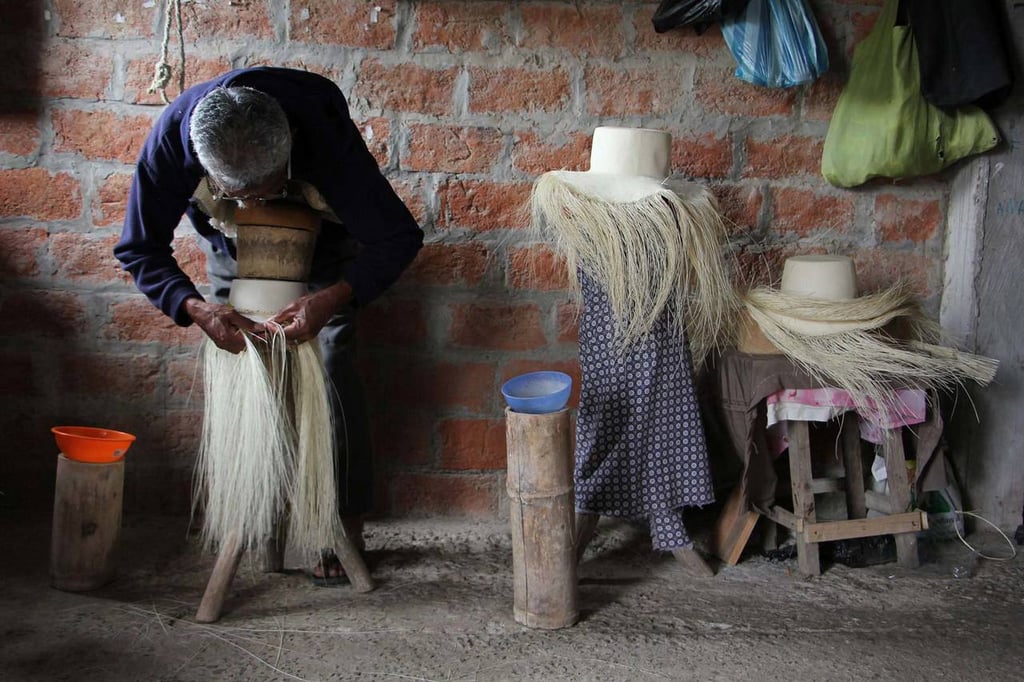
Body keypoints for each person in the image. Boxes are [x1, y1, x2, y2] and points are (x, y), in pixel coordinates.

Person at [114, 66, 423, 581]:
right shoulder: (172, 143)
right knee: (243, 365)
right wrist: (196, 308)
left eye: (266, 188)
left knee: (331, 368)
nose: (256, 205)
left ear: (289, 151)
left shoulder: (326, 140)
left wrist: (332, 300)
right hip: (231, 244)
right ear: (207, 169)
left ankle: (339, 523)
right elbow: (138, 247)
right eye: (242, 195)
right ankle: (253, 515)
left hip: (323, 241)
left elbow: (397, 238)